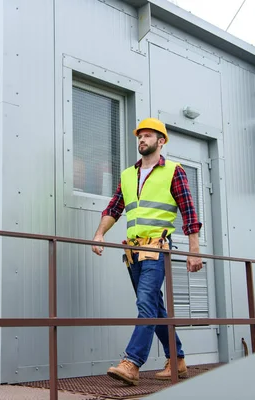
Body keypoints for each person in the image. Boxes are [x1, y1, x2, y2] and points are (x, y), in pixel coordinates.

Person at [91, 117, 203, 386]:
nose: (141, 140)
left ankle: (132, 363)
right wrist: (99, 234)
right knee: (154, 306)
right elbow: (114, 208)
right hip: (133, 252)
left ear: (160, 141)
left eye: (148, 136)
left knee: (145, 304)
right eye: (139, 136)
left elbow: (188, 211)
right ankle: (177, 360)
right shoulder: (128, 174)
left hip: (158, 249)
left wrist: (194, 250)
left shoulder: (174, 171)